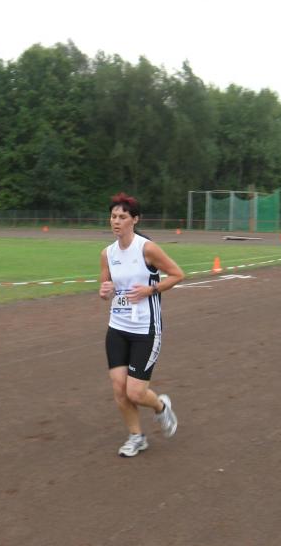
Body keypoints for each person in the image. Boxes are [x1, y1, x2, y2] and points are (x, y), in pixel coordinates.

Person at [98, 192, 185, 457]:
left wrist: (151, 290)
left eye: (122, 217)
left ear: (135, 220)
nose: (116, 221)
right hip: (117, 328)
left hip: (145, 329)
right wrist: (105, 291)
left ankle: (161, 407)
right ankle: (136, 437)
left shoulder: (147, 248)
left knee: (135, 393)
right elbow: (107, 287)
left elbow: (177, 274)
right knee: (119, 389)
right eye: (113, 216)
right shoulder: (107, 254)